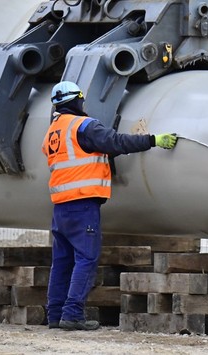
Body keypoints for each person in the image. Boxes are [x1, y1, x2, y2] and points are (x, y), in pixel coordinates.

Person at [41, 81, 178, 331]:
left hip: (61, 207)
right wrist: (152, 140)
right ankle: (72, 315)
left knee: (61, 262)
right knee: (86, 259)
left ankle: (55, 315)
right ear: (76, 101)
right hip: (82, 204)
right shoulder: (84, 125)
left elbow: (85, 155)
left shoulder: (54, 131)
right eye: (81, 99)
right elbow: (115, 141)